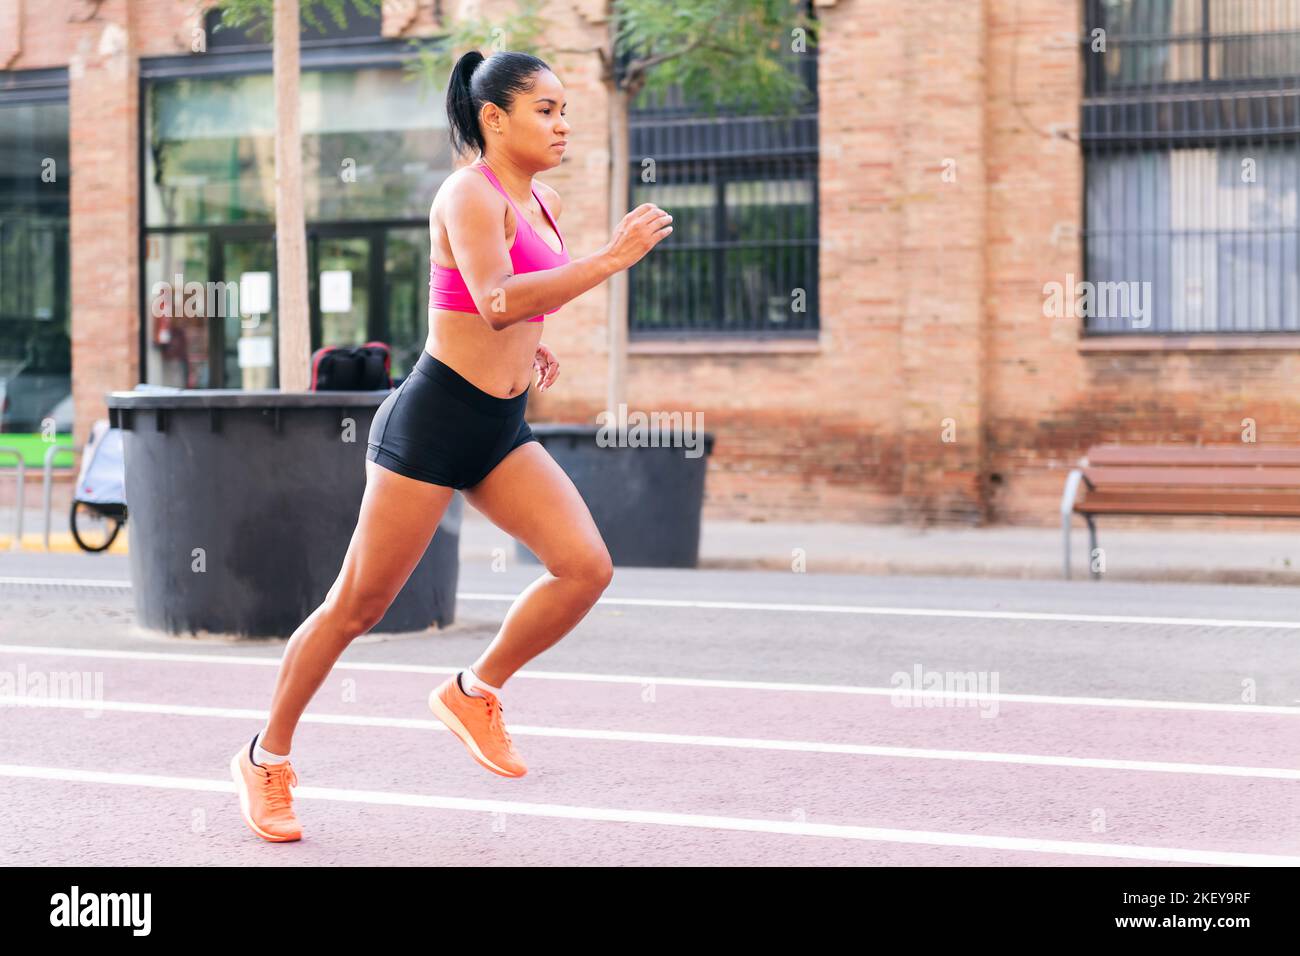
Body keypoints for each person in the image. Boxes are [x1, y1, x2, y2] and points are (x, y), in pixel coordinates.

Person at [229, 49, 672, 843]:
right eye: (546, 108)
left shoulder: (544, 199)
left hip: (500, 429)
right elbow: (496, 297)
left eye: (566, 108)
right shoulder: (468, 193)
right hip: (432, 425)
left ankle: (476, 689)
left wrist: (528, 349)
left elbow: (504, 307)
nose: (563, 122)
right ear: (494, 118)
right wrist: (609, 260)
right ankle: (266, 757)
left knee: (586, 568)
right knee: (356, 606)